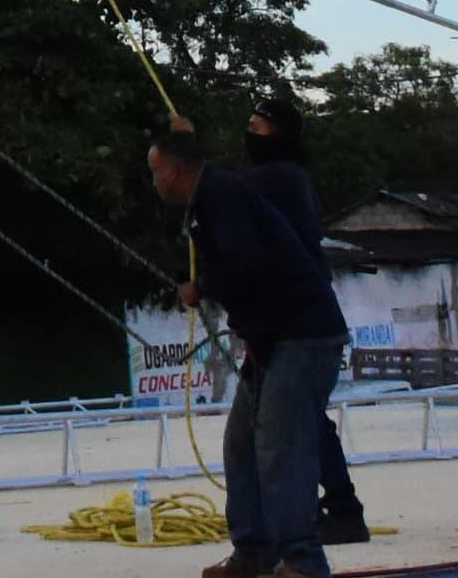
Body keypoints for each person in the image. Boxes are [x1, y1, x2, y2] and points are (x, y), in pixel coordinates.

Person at [148, 125, 346, 578]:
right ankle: (254, 550)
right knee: (242, 445)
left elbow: (247, 262)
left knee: (282, 449)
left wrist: (200, 287)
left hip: (302, 336)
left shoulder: (220, 197)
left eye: (156, 173)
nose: (155, 183)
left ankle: (302, 562)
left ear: (174, 172)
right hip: (273, 340)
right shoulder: (211, 196)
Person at [235, 104, 373, 548]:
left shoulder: (275, 179)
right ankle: (334, 509)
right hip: (300, 321)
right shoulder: (294, 178)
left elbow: (215, 189)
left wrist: (186, 146)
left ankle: (310, 522)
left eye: (256, 128)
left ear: (275, 135)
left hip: (295, 325)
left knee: (282, 432)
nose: (249, 134)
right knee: (304, 423)